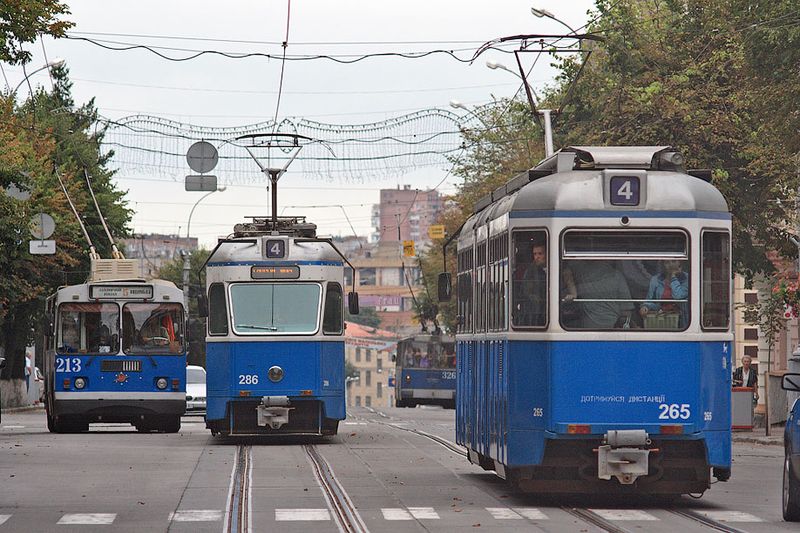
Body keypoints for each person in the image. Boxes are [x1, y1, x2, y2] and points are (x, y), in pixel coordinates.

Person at [570, 260, 634, 329]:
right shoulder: (617, 276)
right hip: (613, 327)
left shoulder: (580, 272)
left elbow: (567, 270)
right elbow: (626, 310)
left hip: (588, 328)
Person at [640, 259, 689, 328]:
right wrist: (646, 306)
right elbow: (650, 300)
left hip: (682, 322)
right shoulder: (655, 279)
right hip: (660, 319)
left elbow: (678, 296)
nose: (671, 265)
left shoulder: (688, 279)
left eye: (674, 261)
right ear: (663, 265)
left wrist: (673, 276)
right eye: (667, 262)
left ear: (680, 262)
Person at [515, 243, 548, 326]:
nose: (537, 257)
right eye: (535, 254)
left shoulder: (558, 269)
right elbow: (528, 292)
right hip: (534, 314)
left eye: (540, 254)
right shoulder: (530, 272)